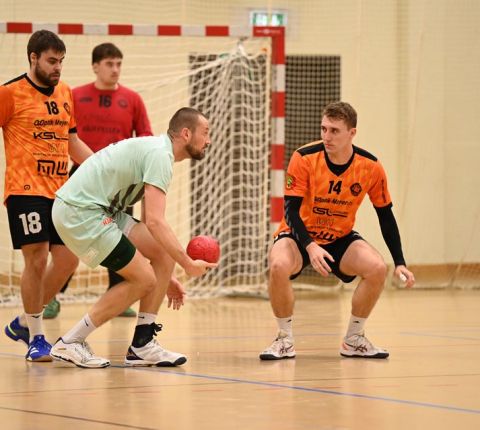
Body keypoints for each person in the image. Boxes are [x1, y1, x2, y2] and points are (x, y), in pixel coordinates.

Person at [49, 107, 216, 368]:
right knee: (144, 280)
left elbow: (153, 228)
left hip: (102, 210)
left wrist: (166, 275)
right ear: (186, 133)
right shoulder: (160, 155)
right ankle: (71, 341)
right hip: (80, 211)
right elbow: (156, 222)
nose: (208, 140)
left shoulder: (158, 151)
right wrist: (187, 264)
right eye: (205, 133)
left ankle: (142, 344)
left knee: (163, 255)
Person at [259, 101, 415, 361]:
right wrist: (310, 245)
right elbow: (290, 211)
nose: (327, 136)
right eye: (324, 129)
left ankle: (354, 339)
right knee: (278, 265)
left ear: (352, 133)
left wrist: (400, 261)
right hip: (299, 235)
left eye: (334, 131)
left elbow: (385, 215)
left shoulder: (370, 166)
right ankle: (284, 340)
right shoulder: (304, 157)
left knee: (377, 268)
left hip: (339, 237)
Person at [0, 30, 93, 362]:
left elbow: (71, 142)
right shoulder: (9, 93)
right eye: (52, 61)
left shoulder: (65, 92)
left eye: (61, 61)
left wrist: (101, 167)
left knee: (68, 261)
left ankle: (23, 322)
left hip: (60, 192)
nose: (58, 68)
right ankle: (37, 337)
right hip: (25, 190)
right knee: (37, 258)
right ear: (33, 58)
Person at [44, 42, 153, 319]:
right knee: (68, 239)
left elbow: (146, 138)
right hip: (81, 178)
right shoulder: (76, 96)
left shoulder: (132, 99)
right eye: (109, 64)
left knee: (120, 235)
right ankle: (52, 295)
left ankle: (120, 292)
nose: (115, 69)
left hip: (120, 184)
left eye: (118, 64)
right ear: (95, 66)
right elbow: (64, 136)